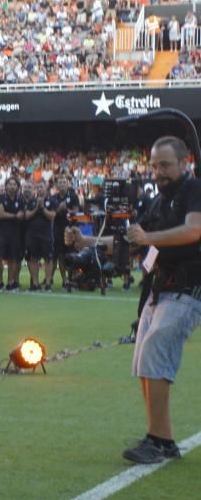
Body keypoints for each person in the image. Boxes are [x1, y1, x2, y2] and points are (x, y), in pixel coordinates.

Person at [66, 137, 201, 464]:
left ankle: (158, 440)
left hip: (188, 288)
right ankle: (162, 438)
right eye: (154, 166)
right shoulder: (158, 201)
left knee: (154, 349)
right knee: (144, 359)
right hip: (160, 287)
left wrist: (148, 239)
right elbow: (135, 243)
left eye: (165, 165)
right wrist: (86, 240)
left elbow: (194, 230)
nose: (158, 172)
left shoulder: (194, 189)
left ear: (185, 163)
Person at [23, 180, 58, 290]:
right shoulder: (31, 201)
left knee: (48, 259)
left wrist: (42, 207)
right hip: (32, 234)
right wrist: (36, 207)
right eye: (37, 187)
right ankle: (35, 283)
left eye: (41, 187)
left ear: (46, 188)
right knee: (33, 258)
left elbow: (52, 216)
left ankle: (48, 284)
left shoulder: (52, 201)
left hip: (46, 234)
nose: (39, 189)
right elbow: (27, 216)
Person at [0, 177, 26, 291]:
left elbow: (22, 215)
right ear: (6, 186)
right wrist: (14, 215)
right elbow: (0, 215)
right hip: (1, 232)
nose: (12, 186)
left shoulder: (21, 200)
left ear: (18, 187)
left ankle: (10, 283)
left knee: (13, 259)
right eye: (10, 184)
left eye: (14, 184)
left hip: (15, 234)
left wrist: (7, 214)